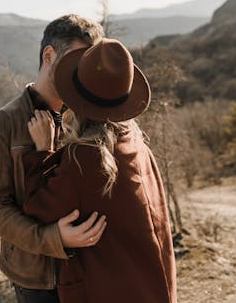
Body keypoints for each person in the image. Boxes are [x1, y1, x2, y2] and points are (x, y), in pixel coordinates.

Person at [21, 38, 177, 303]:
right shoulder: (136, 143)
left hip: (109, 291)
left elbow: (37, 207)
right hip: (153, 288)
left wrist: (42, 153)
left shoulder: (86, 158)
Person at [0, 15, 108, 303]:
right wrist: (52, 238)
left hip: (88, 268)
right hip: (38, 280)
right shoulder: (4, 124)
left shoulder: (87, 117)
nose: (80, 73)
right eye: (75, 62)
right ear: (49, 55)